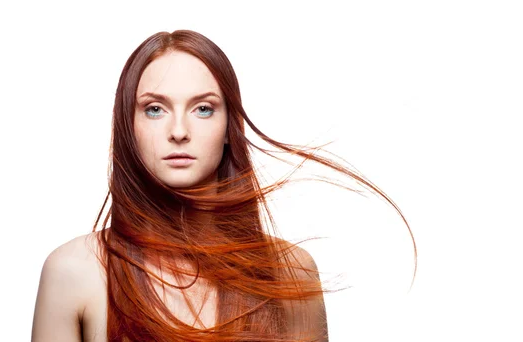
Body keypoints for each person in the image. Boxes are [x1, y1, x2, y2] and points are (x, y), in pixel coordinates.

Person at [31, 29, 415, 342]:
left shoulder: (291, 273)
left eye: (203, 109)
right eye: (154, 108)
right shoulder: (75, 272)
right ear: (128, 127)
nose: (178, 131)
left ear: (229, 127)